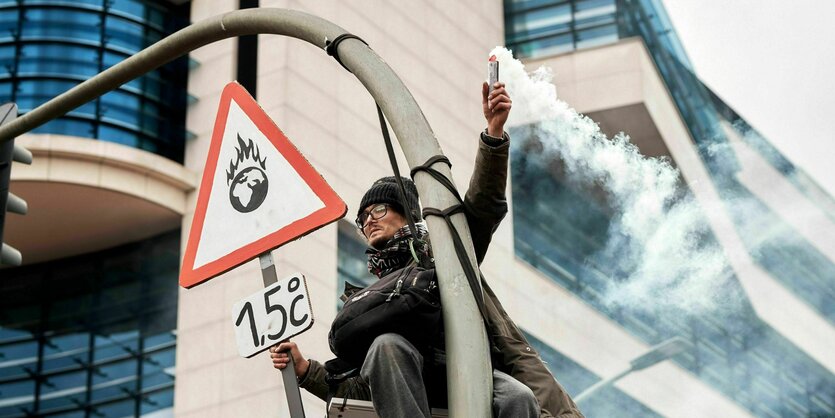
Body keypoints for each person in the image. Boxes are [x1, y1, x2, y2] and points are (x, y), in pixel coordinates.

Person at [270, 81, 584, 418]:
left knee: (517, 396)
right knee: (386, 346)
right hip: (415, 383)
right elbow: (365, 390)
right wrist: (306, 371)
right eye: (362, 219)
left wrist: (493, 135)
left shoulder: (446, 253)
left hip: (470, 374)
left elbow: (483, 207)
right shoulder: (367, 302)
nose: (369, 221)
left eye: (379, 211)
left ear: (406, 212)